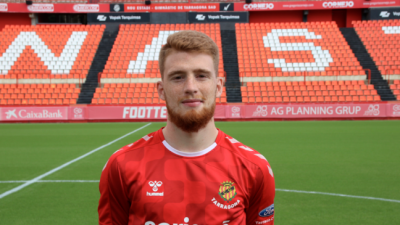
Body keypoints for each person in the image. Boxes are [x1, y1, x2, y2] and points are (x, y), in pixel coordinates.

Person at [98, 30, 275, 225]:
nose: (190, 87)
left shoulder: (254, 168)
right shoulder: (122, 166)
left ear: (218, 86)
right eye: (178, 77)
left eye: (201, 75)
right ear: (161, 90)